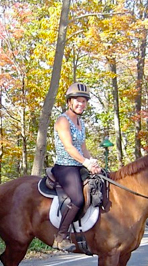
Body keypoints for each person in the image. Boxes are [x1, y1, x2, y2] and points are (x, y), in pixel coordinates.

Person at [51, 82, 102, 252]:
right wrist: (85, 163)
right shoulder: (62, 120)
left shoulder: (81, 122)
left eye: (84, 101)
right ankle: (60, 236)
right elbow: (69, 147)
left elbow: (83, 147)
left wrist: (92, 161)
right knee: (78, 199)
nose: (81, 104)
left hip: (79, 164)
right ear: (69, 102)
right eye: (78, 101)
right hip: (65, 167)